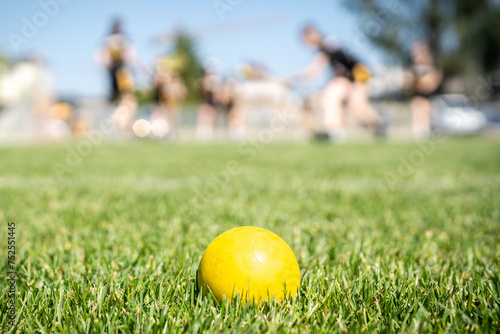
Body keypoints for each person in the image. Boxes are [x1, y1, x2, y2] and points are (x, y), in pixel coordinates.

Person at [292, 24, 384, 142]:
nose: (306, 43)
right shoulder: (327, 46)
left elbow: (313, 71)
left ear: (312, 34)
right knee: (350, 103)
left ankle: (376, 125)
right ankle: (335, 130)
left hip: (360, 74)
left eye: (306, 39)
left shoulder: (327, 45)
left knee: (336, 97)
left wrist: (293, 78)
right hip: (350, 77)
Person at [97, 19, 138, 133]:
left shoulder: (105, 40)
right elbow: (130, 58)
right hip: (122, 72)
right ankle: (116, 121)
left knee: (120, 100)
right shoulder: (123, 39)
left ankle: (123, 127)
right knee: (128, 101)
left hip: (112, 73)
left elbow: (102, 62)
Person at [406, 41, 443, 141]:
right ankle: (418, 132)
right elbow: (410, 84)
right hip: (417, 96)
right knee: (417, 108)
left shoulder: (432, 67)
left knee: (426, 111)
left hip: (429, 97)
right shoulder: (413, 69)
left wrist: (422, 81)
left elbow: (431, 84)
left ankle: (425, 132)